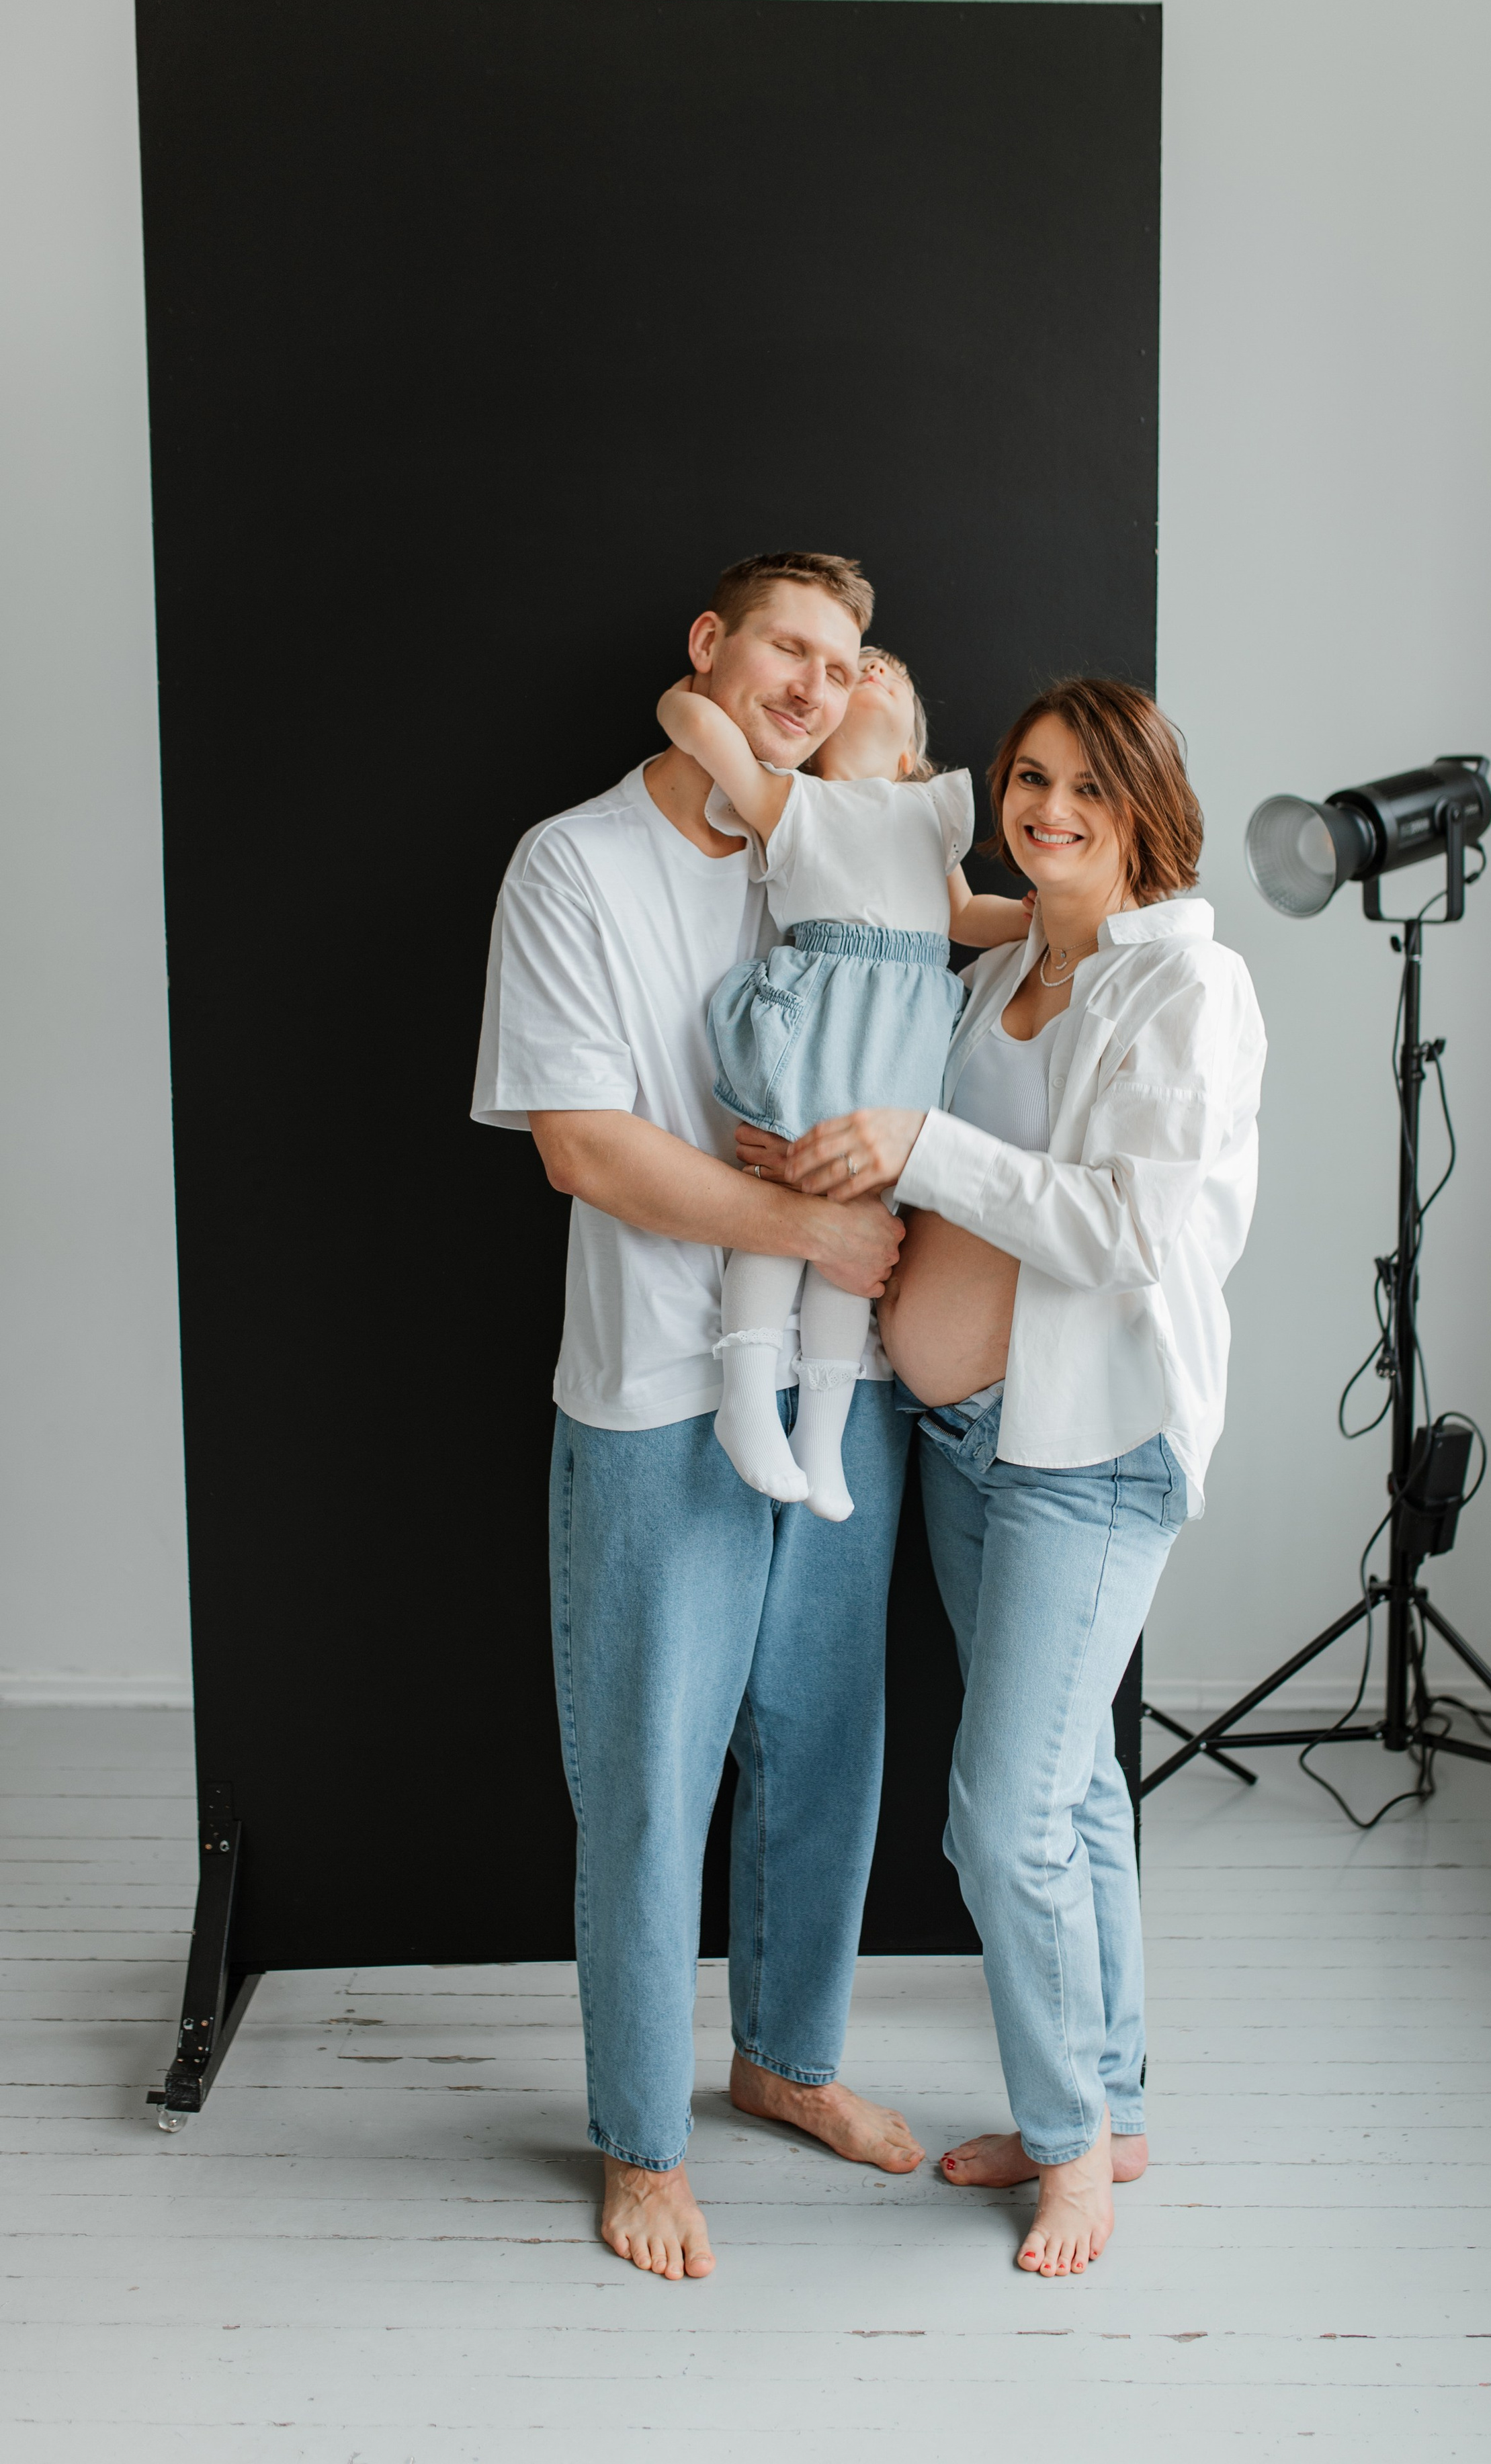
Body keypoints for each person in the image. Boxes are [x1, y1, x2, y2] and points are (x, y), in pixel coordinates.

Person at [751, 678, 1267, 2279]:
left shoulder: (1188, 990)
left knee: (1004, 1819)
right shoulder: (1014, 961)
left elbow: (1122, 1228)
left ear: (1143, 811)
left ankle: (1068, 2158)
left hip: (1089, 1453)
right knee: (1076, 1800)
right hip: (976, 1444)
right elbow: (902, 915)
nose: (1046, 808)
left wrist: (912, 1146)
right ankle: (1101, 2105)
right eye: (1028, 778)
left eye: (1084, 791)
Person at [471, 553, 928, 2285]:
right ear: (706, 650)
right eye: (785, 650)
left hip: (845, 1382)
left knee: (826, 1748)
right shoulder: (575, 863)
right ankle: (642, 2138)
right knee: (651, 1782)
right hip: (656, 1393)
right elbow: (584, 1143)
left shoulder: (844, 844)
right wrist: (816, 1224)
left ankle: (786, 2060)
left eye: (846, 663)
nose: (813, 687)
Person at [656, 648, 1029, 1520]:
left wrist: (1050, 915)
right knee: (783, 1213)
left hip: (897, 1047)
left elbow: (964, 916)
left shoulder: (923, 811)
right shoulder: (796, 801)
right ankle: (747, 1400)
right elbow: (704, 731)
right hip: (821, 1030)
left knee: (855, 1240)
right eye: (864, 664)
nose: (879, 668)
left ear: (910, 755)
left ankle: (821, 1439)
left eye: (896, 672)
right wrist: (688, 695)